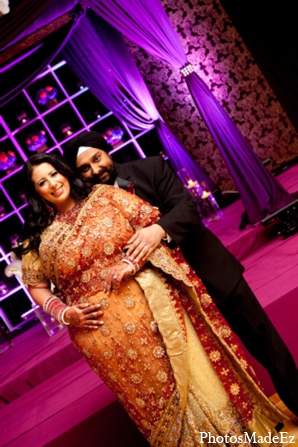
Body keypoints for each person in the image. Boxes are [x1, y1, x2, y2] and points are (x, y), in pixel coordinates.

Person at [21, 153, 287, 446]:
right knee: (155, 407)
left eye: (54, 174)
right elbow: (37, 285)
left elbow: (153, 226)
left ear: (65, 173)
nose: (53, 184)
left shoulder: (106, 196)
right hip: (103, 341)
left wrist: (131, 263)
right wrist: (63, 312)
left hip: (159, 312)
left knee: (200, 385)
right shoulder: (37, 238)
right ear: (36, 192)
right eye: (42, 182)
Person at [63, 131, 298, 418]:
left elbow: (186, 207)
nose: (95, 170)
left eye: (96, 159)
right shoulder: (90, 209)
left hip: (209, 269)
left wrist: (158, 230)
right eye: (84, 168)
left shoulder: (150, 168)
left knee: (263, 339)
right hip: (169, 295)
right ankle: (250, 423)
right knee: (209, 368)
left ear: (106, 152)